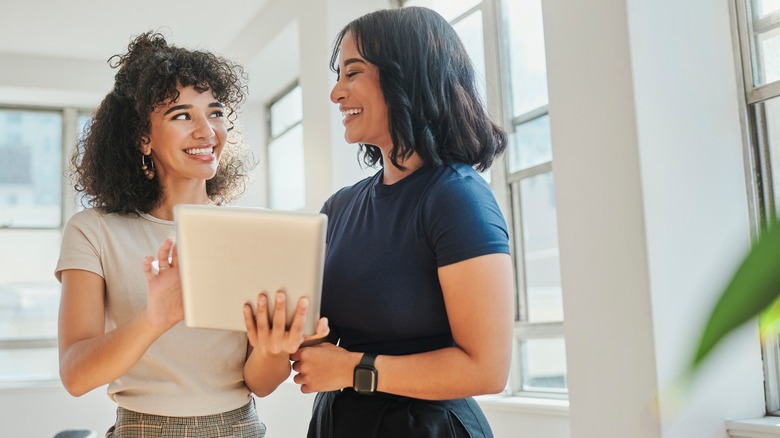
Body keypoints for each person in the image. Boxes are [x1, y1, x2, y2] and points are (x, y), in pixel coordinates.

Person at [56, 32, 327, 438]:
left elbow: (261, 383)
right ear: (142, 138)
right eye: (182, 115)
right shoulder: (94, 230)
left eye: (214, 113)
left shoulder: (252, 236)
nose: (206, 131)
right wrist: (155, 318)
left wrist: (273, 347)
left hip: (239, 427)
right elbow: (76, 376)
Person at [290, 6, 514, 438]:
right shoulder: (338, 208)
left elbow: (487, 369)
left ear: (405, 76)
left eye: (351, 73)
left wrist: (355, 370)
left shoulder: (456, 197)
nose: (336, 93)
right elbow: (319, 337)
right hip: (339, 422)